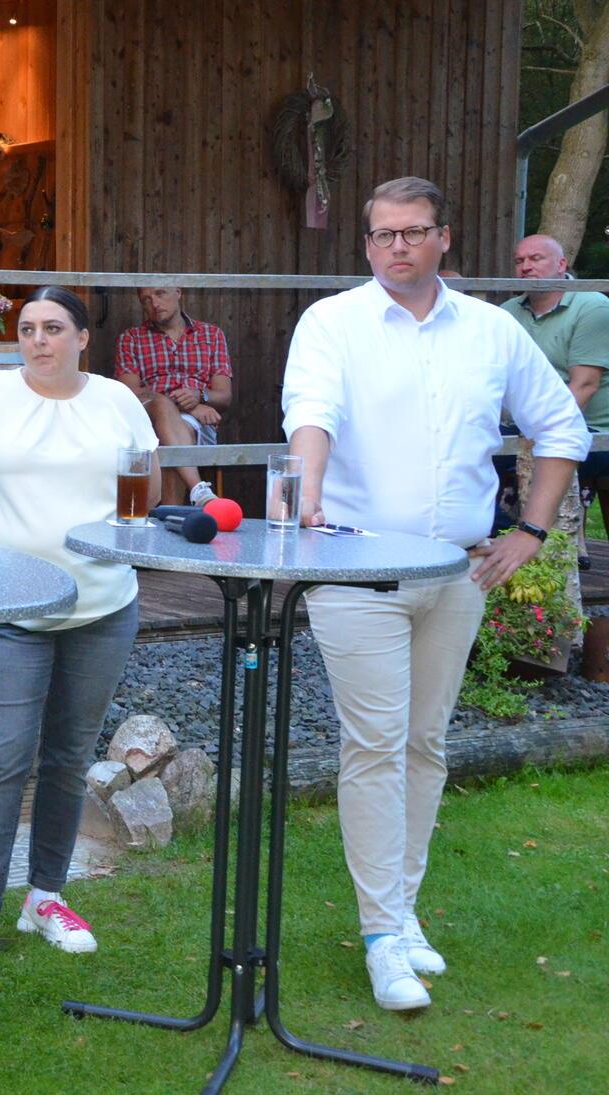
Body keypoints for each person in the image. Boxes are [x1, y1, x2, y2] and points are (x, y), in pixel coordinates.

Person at [283, 177, 588, 1012]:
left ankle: (403, 910)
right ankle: (383, 933)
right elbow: (311, 411)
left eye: (412, 233)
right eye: (381, 235)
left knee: (424, 745)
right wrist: (305, 486)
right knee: (376, 742)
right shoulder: (332, 322)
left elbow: (562, 426)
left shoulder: (491, 331)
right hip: (353, 571)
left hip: (455, 573)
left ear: (444, 238)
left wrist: (528, 531)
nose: (395, 248)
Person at [0, 287, 157, 969]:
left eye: (54, 328)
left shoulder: (117, 402)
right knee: (2, 760)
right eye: (27, 329)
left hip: (103, 606)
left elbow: (147, 495)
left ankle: (45, 895)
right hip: (11, 612)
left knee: (67, 759)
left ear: (84, 337)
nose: (38, 340)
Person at [502, 233, 609, 494]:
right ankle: (489, 532)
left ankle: (528, 531)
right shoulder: (506, 312)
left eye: (536, 258)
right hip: (522, 424)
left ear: (561, 265)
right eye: (519, 260)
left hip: (588, 428)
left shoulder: (593, 306)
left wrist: (541, 436)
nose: (526, 266)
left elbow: (584, 387)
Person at [114, 285, 233, 506]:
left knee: (166, 437)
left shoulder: (211, 334)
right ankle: (197, 489)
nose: (154, 304)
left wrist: (201, 397)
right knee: (160, 405)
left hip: (197, 422)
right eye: (146, 300)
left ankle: (170, 513)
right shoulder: (131, 338)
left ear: (178, 292)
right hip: (146, 415)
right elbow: (129, 394)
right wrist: (190, 405)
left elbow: (224, 396)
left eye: (160, 294)